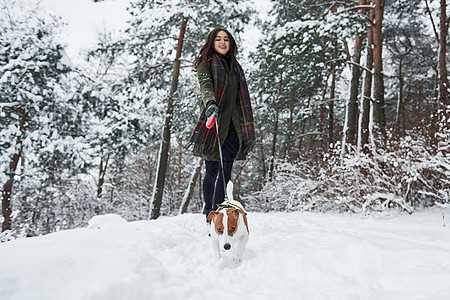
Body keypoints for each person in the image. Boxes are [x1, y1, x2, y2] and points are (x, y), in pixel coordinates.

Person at [185, 27, 256, 218]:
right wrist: (210, 104)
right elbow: (206, 86)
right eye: (218, 39)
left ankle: (217, 213)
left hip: (234, 127)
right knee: (212, 171)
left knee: (226, 171)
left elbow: (241, 97)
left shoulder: (235, 67)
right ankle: (208, 212)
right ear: (212, 43)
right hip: (214, 124)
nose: (222, 42)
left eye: (226, 39)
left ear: (231, 43)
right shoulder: (205, 64)